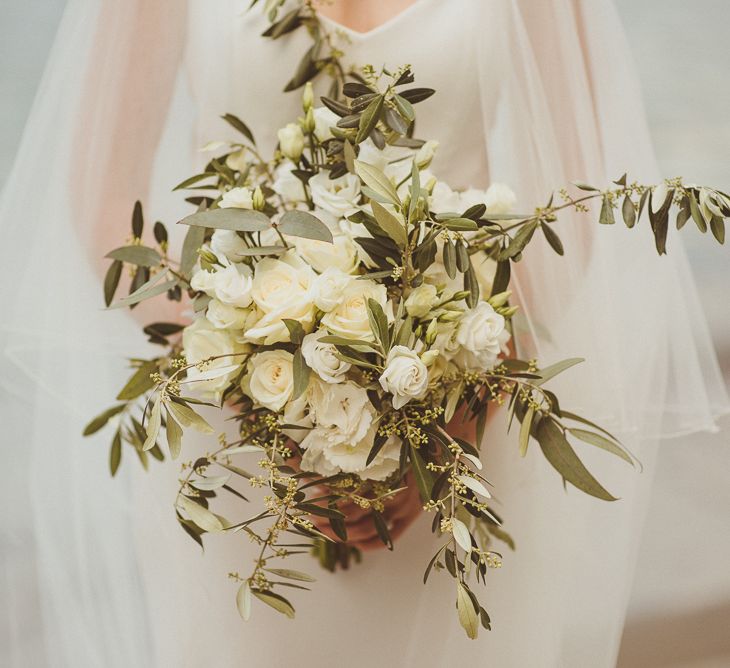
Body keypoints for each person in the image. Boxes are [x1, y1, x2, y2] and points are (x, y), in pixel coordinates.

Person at [1, 1, 727, 666]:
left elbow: (575, 194)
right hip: (238, 464)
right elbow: (104, 206)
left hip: (460, 438)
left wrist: (457, 408)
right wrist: (247, 373)